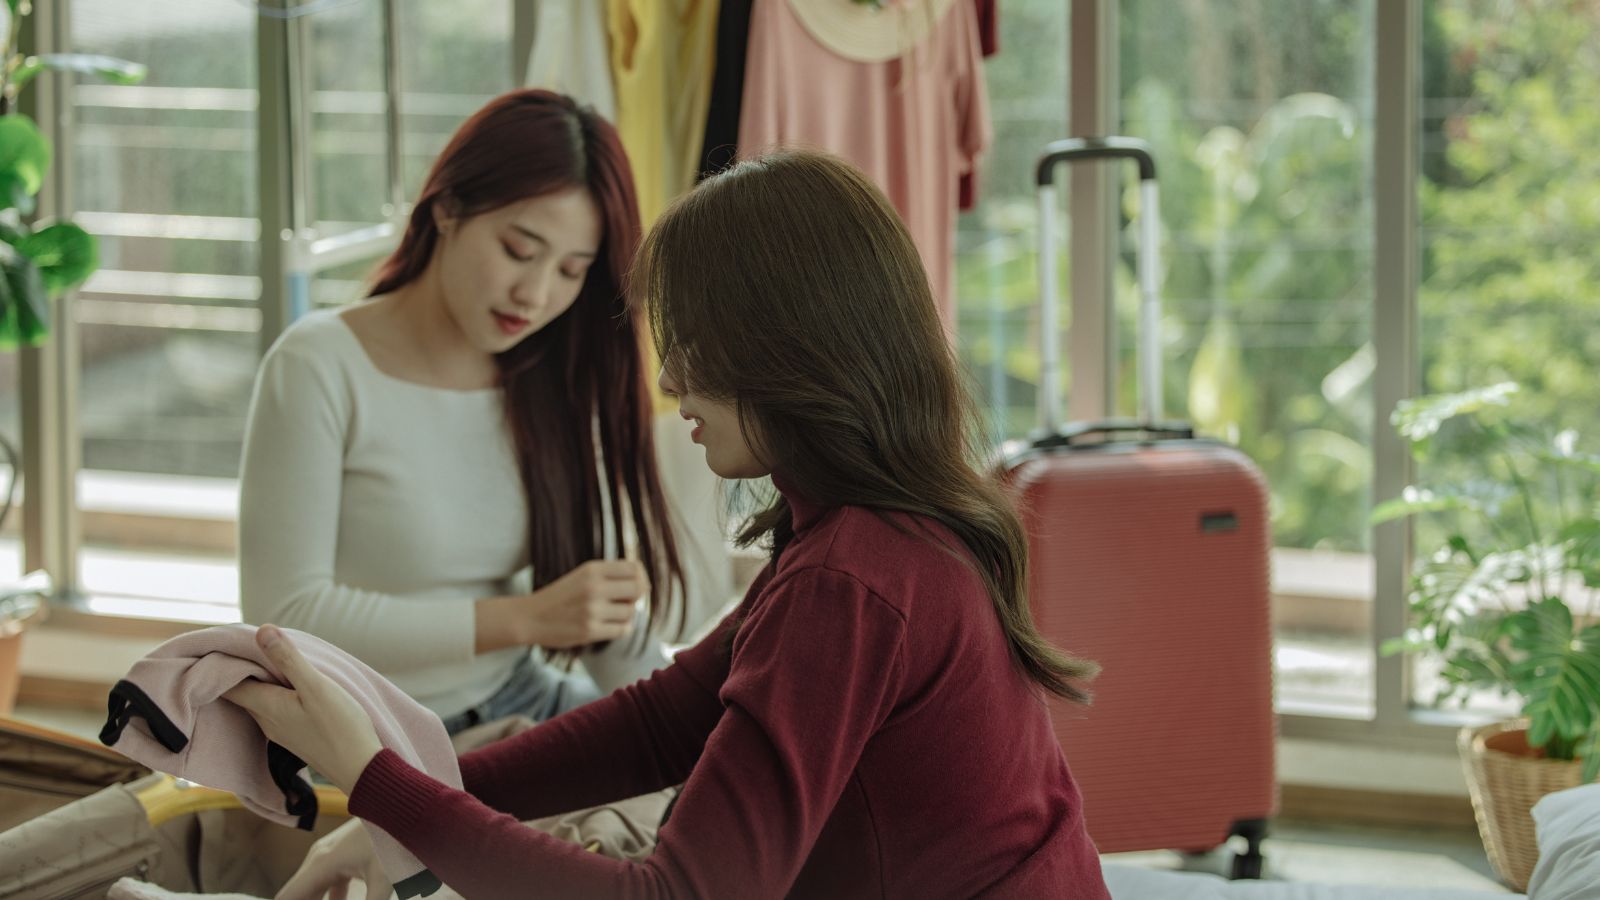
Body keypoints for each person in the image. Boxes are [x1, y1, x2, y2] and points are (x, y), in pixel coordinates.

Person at [229, 150, 1112, 899]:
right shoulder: (866, 531)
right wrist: (406, 802)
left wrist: (384, 786)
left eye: (690, 343)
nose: (668, 380)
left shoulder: (852, 578)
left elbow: (674, 895)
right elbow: (660, 722)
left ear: (784, 348)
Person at [238, 89, 686, 735]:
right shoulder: (318, 366)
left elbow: (592, 612)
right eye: (519, 250)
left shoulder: (551, 373)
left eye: (571, 271)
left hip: (521, 696)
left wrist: (693, 731)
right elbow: (286, 615)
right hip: (366, 736)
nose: (534, 294)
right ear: (448, 208)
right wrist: (525, 619)